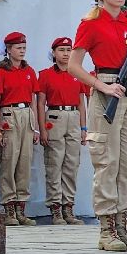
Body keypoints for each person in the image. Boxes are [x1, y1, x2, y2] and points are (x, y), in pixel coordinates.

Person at [68, 0, 127, 252]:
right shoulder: (91, 24)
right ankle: (106, 230)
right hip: (107, 86)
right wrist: (101, 87)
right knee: (107, 160)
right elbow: (74, 66)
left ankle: (122, 224)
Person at [40, 36, 89, 225]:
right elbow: (41, 102)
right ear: (53, 53)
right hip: (54, 116)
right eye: (61, 50)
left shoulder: (77, 73)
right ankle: (55, 208)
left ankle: (68, 206)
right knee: (54, 163)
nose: (66, 54)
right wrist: (41, 129)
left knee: (71, 164)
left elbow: (81, 103)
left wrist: (84, 128)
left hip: (73, 117)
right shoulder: (45, 74)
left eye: (69, 50)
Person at [0, 32, 39, 226]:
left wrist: (36, 126)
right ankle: (9, 207)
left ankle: (22, 208)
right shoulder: (1, 72)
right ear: (9, 49)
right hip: (9, 114)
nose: (22, 51)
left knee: (25, 162)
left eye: (24, 48)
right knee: (9, 160)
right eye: (18, 48)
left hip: (26, 113)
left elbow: (34, 99)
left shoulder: (29, 71)